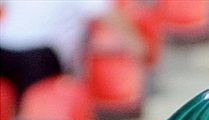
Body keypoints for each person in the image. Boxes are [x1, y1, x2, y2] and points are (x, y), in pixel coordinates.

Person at [0, 0, 144, 101]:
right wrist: (137, 43)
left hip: (6, 48)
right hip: (40, 53)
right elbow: (106, 11)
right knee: (35, 110)